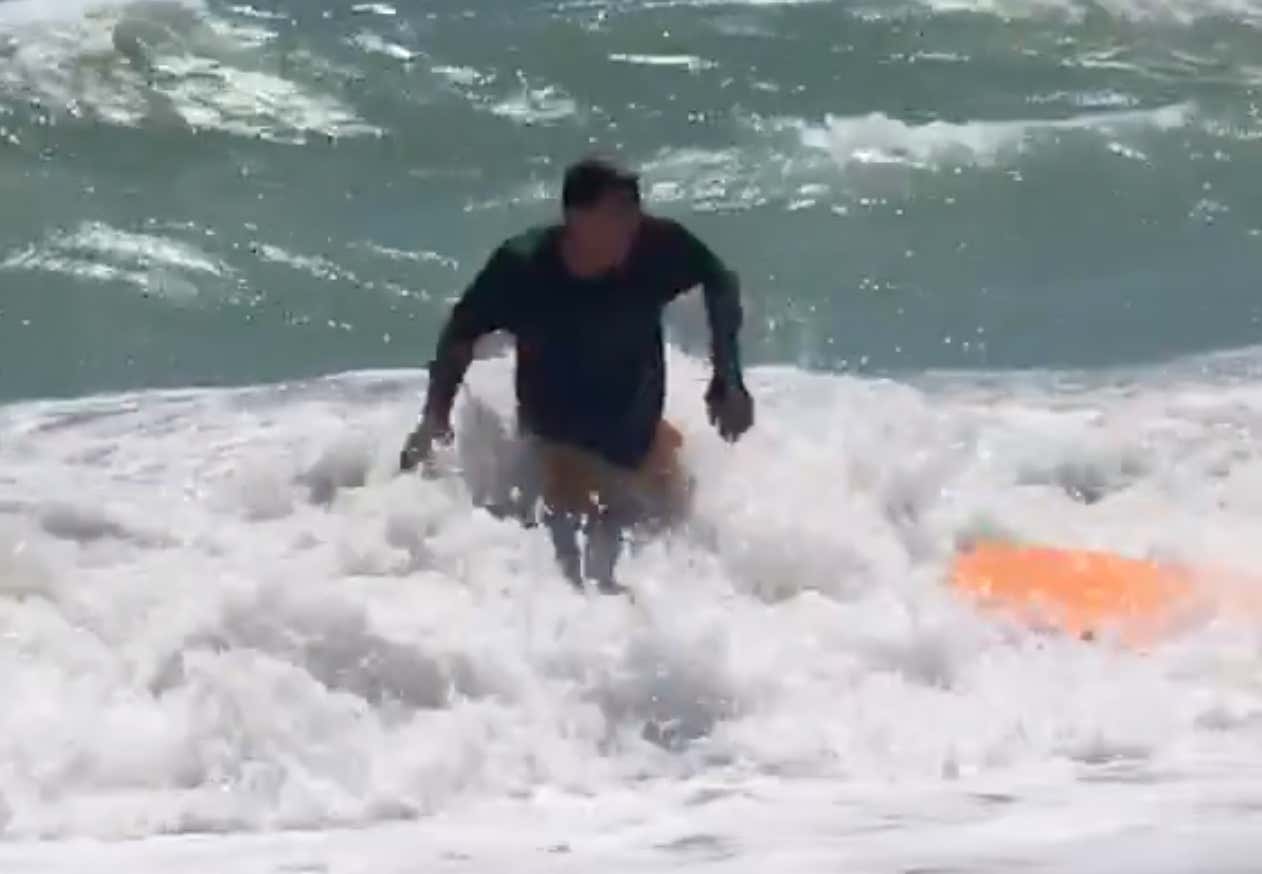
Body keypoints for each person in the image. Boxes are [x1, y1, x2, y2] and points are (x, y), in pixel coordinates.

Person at [400, 156, 754, 593]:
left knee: (681, 550)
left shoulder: (655, 249)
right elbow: (460, 333)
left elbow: (719, 278)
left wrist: (728, 376)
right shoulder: (524, 268)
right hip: (561, 442)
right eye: (617, 211)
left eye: (635, 208)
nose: (631, 223)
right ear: (575, 217)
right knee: (579, 578)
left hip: (638, 436)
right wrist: (435, 418)